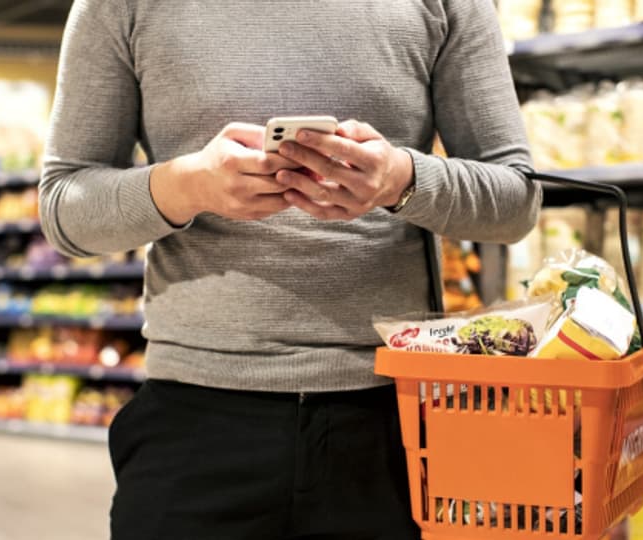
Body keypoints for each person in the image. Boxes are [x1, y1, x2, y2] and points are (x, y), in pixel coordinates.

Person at [39, 0, 541, 538]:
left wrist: (401, 179)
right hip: (194, 420)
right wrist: (190, 187)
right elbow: (65, 206)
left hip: (388, 425)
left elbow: (516, 201)